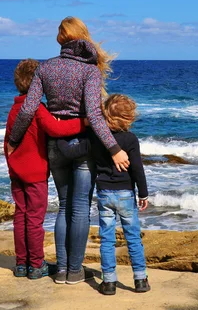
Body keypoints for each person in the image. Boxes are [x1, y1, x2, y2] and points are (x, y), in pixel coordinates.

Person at [6, 17, 130, 285]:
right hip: (83, 146)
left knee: (64, 207)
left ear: (60, 39)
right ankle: (75, 270)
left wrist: (15, 139)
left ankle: (60, 270)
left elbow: (29, 108)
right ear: (83, 36)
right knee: (80, 209)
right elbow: (95, 117)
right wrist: (115, 148)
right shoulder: (90, 71)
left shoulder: (45, 68)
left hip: (55, 146)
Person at [57, 94, 150, 295]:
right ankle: (140, 280)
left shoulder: (96, 137)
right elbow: (137, 169)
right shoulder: (131, 139)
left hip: (105, 195)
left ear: (105, 115)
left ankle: (109, 282)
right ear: (129, 118)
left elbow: (72, 153)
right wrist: (143, 193)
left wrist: (59, 140)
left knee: (107, 239)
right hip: (126, 194)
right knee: (133, 238)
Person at [4, 59, 86, 280]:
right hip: (35, 173)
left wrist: (12, 167)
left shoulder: (13, 109)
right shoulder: (36, 109)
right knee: (34, 220)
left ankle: (21, 264)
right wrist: (84, 122)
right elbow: (57, 128)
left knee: (20, 216)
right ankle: (36, 264)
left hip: (17, 172)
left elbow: (7, 143)